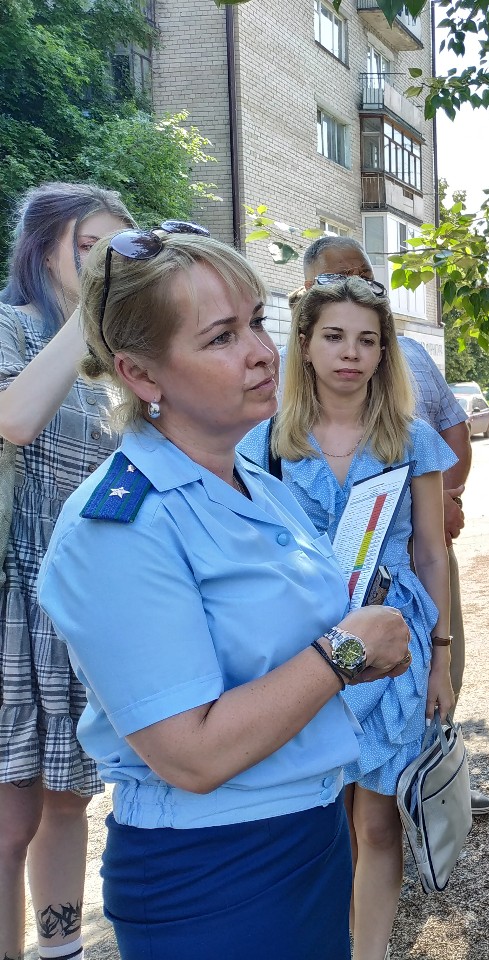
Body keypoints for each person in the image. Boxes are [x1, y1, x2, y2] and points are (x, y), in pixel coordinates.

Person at [36, 226, 411, 959]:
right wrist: (344, 651)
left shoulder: (252, 483)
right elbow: (191, 755)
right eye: (220, 337)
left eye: (257, 323)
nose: (263, 352)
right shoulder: (119, 525)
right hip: (213, 870)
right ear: (142, 375)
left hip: (305, 833)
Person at [240, 276, 455, 960]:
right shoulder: (265, 441)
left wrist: (443, 657)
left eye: (367, 340)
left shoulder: (413, 440)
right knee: (319, 816)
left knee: (380, 816)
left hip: (393, 647)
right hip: (302, 649)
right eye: (334, 336)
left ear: (385, 352)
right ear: (303, 345)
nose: (350, 354)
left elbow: (430, 548)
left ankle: (371, 952)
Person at [301, 235, 489, 815]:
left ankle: (432, 780)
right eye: (334, 333)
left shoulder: (410, 361)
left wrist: (443, 498)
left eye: (367, 279)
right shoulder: (269, 429)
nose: (351, 351)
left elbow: (451, 431)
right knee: (327, 802)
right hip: (313, 629)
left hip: (401, 596)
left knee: (384, 804)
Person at [0, 182, 135, 960]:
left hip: (78, 603)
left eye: (119, 250)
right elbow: (14, 419)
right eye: (92, 248)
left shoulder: (105, 358)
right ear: (44, 244)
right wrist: (97, 302)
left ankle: (62, 951)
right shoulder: (13, 326)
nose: (105, 265)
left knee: (67, 801)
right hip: (16, 602)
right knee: (9, 818)